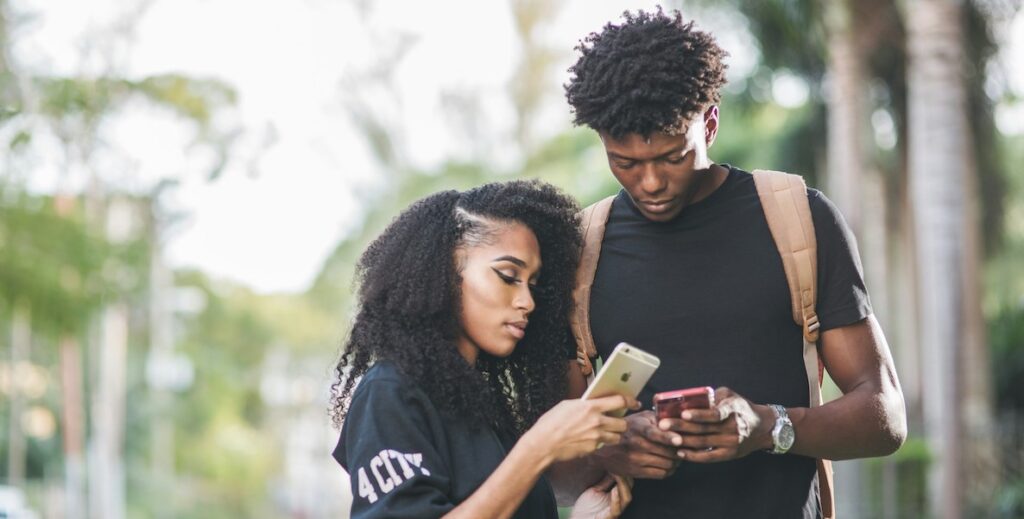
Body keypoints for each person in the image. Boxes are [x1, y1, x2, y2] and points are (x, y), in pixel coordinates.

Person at [556, 8, 908, 518]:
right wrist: (608, 447)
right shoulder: (582, 251)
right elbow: (557, 472)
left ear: (710, 123)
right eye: (626, 162)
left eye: (673, 156)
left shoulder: (797, 218)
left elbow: (886, 418)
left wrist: (769, 426)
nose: (650, 183)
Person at [330, 180, 638, 519]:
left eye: (533, 285)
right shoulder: (389, 392)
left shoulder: (484, 406)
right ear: (445, 272)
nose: (527, 301)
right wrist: (538, 448)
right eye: (508, 276)